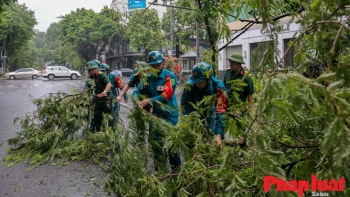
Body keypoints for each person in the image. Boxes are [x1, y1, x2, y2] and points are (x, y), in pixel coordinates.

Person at [133, 51, 181, 172]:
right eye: (153, 66)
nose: (157, 67)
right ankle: (160, 171)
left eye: (158, 64)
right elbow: (138, 90)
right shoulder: (148, 78)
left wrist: (148, 101)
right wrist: (136, 98)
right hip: (155, 115)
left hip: (170, 115)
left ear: (163, 64)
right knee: (155, 143)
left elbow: (166, 95)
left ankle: (176, 172)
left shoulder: (170, 77)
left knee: (171, 144)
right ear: (150, 66)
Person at [181, 62, 227, 148]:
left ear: (208, 79)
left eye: (200, 82)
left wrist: (218, 135)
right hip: (194, 115)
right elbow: (185, 108)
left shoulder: (218, 87)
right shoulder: (189, 86)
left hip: (210, 113)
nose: (197, 84)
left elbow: (221, 112)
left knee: (211, 141)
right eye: (196, 81)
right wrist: (192, 135)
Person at [223, 53, 255, 147]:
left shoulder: (246, 77)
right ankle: (229, 147)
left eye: (232, 62)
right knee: (227, 129)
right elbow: (224, 89)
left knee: (239, 129)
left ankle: (241, 148)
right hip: (227, 108)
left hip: (240, 109)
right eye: (230, 62)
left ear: (238, 63)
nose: (230, 64)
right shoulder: (228, 73)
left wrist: (250, 109)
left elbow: (250, 95)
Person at [85, 61, 113, 132]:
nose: (90, 71)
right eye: (89, 70)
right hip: (98, 99)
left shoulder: (102, 75)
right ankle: (98, 133)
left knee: (109, 117)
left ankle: (109, 133)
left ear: (96, 68)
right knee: (97, 117)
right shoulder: (91, 77)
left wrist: (104, 92)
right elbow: (88, 87)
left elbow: (109, 84)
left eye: (92, 70)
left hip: (106, 99)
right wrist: (83, 94)